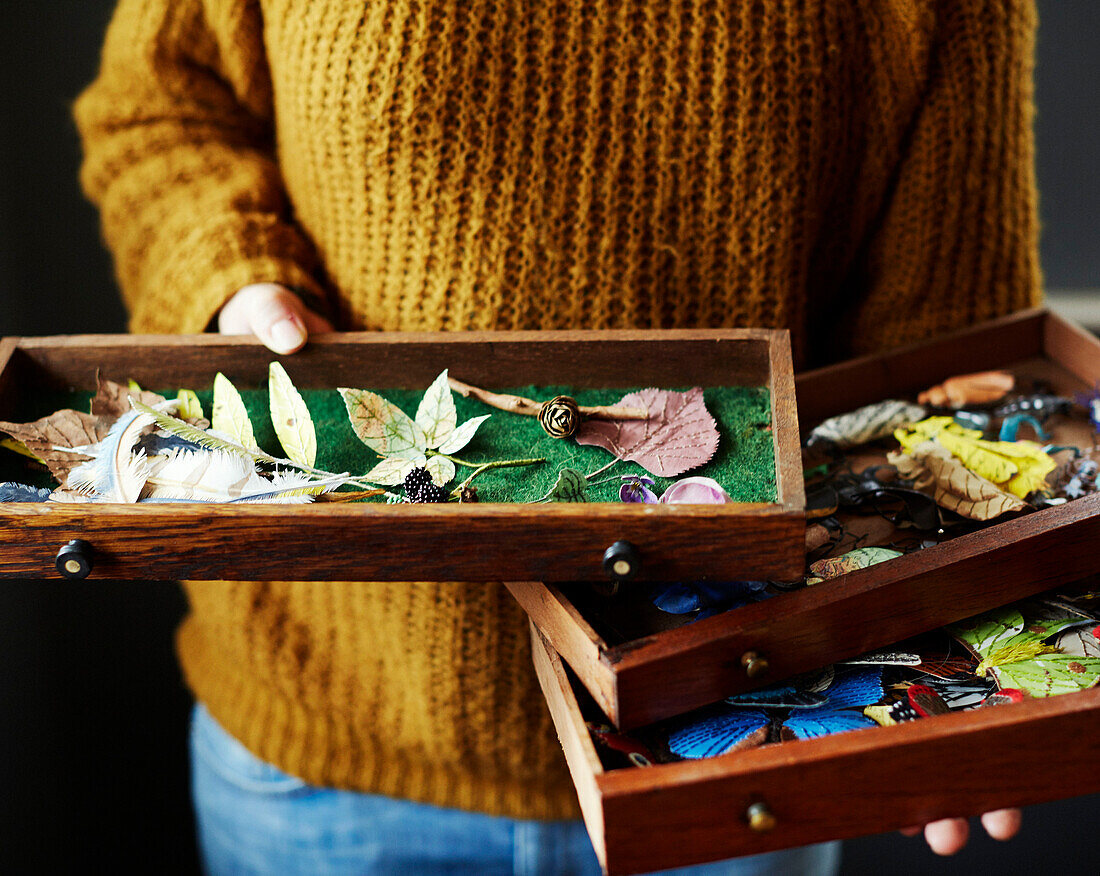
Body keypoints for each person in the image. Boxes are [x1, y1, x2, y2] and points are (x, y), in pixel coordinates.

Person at [75, 1, 1038, 872]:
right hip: (324, 754)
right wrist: (235, 274)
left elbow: (941, 359)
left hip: (735, 757)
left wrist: (968, 667)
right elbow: (158, 108)